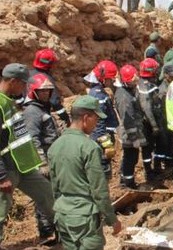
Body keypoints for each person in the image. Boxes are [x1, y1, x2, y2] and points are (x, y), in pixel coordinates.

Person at [48, 95, 122, 249]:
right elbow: (99, 190)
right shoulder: (89, 147)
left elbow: (54, 186)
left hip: (62, 215)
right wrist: (112, 219)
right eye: (96, 119)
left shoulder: (55, 146)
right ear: (86, 117)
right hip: (84, 218)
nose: (96, 124)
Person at [0, 63, 55, 245]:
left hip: (24, 166)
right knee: (1, 210)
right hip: (7, 169)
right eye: (23, 84)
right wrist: (1, 177)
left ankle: (68, 232)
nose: (25, 88)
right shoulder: (0, 104)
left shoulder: (8, 101)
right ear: (13, 81)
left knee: (48, 195)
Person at [21, 73, 58, 241]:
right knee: (44, 196)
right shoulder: (32, 111)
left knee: (52, 194)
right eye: (42, 91)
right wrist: (41, 163)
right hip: (44, 158)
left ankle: (54, 228)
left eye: (48, 91)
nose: (45, 94)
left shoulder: (43, 108)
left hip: (52, 156)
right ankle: (46, 231)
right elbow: (32, 139)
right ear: (33, 92)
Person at [115, 65, 149, 189]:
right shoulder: (124, 97)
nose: (135, 83)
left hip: (132, 131)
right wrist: (134, 138)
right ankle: (127, 183)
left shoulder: (128, 91)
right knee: (130, 158)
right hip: (128, 133)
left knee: (130, 157)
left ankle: (125, 179)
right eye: (133, 81)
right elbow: (127, 119)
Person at [84, 60, 119, 179]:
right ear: (102, 78)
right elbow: (98, 122)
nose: (112, 81)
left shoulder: (98, 92)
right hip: (101, 138)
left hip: (102, 136)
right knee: (103, 168)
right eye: (110, 79)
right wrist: (106, 143)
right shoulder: (98, 95)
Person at [138, 58, 171, 176]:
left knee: (156, 145)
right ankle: (149, 171)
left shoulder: (141, 84)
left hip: (150, 122)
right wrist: (154, 126)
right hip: (149, 124)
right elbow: (147, 107)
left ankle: (156, 167)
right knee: (149, 147)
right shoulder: (147, 88)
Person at [29, 48, 71, 127]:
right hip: (41, 116)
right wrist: (66, 118)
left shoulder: (28, 74)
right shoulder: (46, 79)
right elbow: (55, 102)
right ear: (50, 64)